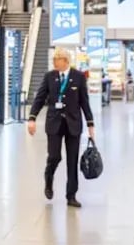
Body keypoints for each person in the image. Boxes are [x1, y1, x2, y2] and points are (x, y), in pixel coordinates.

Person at [27, 47, 95, 208]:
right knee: (54, 156)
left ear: (65, 61)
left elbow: (84, 102)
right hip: (54, 123)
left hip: (73, 124)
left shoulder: (78, 77)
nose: (54, 63)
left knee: (72, 160)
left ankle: (71, 195)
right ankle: (48, 177)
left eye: (57, 60)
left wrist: (90, 124)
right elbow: (40, 98)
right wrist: (32, 118)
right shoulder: (49, 77)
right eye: (53, 60)